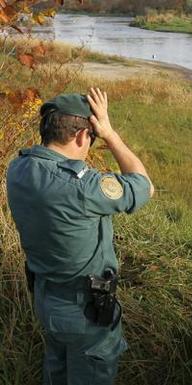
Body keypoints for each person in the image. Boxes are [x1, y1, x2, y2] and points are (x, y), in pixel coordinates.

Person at [7, 88, 154, 385]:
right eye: (93, 137)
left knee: (56, 371)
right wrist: (111, 134)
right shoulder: (83, 188)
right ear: (81, 136)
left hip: (46, 300)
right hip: (84, 310)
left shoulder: (18, 168)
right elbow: (144, 186)